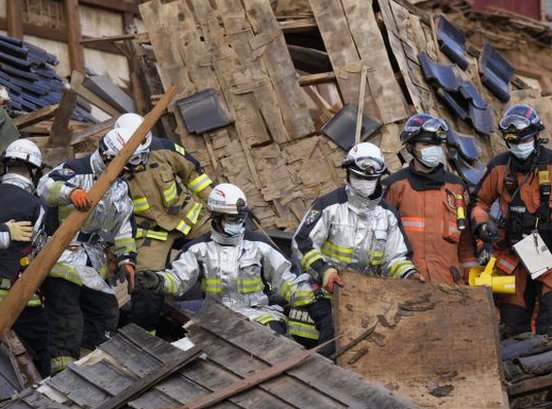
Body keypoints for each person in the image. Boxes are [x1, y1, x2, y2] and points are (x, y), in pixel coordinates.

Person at [135, 183, 332, 342]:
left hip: (262, 315)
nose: (238, 223)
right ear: (216, 216)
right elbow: (178, 279)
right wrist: (159, 281)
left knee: (280, 349)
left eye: (241, 218)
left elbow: (287, 280)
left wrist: (314, 296)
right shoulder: (198, 249)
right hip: (217, 319)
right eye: (232, 218)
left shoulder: (259, 245)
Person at [470, 104, 552, 336]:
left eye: (524, 140)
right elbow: (478, 201)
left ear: (537, 135)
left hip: (550, 251)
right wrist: (481, 224)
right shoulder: (499, 167)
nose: (519, 146)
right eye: (513, 142)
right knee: (512, 326)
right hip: (513, 251)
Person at [37, 127, 138, 374]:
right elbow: (44, 186)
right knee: (67, 317)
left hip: (92, 258)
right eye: (123, 167)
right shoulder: (75, 169)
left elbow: (124, 225)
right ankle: (61, 374)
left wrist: (127, 259)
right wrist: (70, 193)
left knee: (105, 312)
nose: (125, 173)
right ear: (107, 157)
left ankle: (88, 366)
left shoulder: (120, 187)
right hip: (59, 257)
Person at [113, 113, 214, 333]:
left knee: (223, 246)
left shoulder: (164, 149)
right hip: (149, 233)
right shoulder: (110, 168)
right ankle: (147, 336)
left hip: (187, 218)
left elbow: (194, 176)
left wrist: (218, 203)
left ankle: (220, 315)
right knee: (145, 284)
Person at [293, 142, 422, 295]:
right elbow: (303, 242)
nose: (364, 183)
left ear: (379, 177)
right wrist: (324, 271)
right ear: (348, 173)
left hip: (368, 298)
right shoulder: (328, 206)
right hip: (326, 293)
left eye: (370, 179)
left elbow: (396, 257)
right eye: (358, 176)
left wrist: (409, 274)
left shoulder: (388, 215)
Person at [382, 113, 477, 284]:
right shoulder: (395, 186)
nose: (433, 149)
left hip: (449, 284)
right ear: (410, 147)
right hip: (407, 282)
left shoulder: (456, 187)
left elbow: (466, 242)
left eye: (436, 144)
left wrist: (472, 275)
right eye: (426, 144)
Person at [0, 139, 49, 375]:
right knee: (42, 346)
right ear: (33, 171)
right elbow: (40, 251)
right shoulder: (36, 207)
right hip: (17, 296)